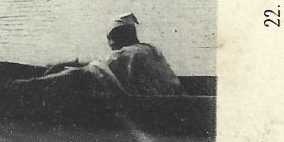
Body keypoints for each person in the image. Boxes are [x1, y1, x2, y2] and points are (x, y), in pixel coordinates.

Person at [14, 13, 185, 96]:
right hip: (174, 94)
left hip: (152, 105)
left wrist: (32, 83)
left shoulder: (123, 55)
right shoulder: (149, 49)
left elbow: (81, 72)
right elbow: (98, 63)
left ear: (113, 40)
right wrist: (70, 62)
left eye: (109, 40)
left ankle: (22, 87)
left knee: (84, 79)